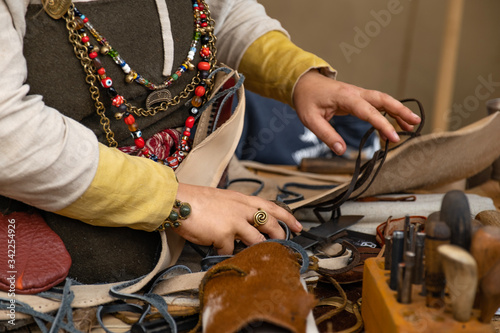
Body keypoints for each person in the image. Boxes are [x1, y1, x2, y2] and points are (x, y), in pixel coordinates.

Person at [0, 0, 420, 281]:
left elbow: (225, 9)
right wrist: (174, 200)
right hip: (53, 226)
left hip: (203, 193)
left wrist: (299, 77)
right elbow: (10, 135)